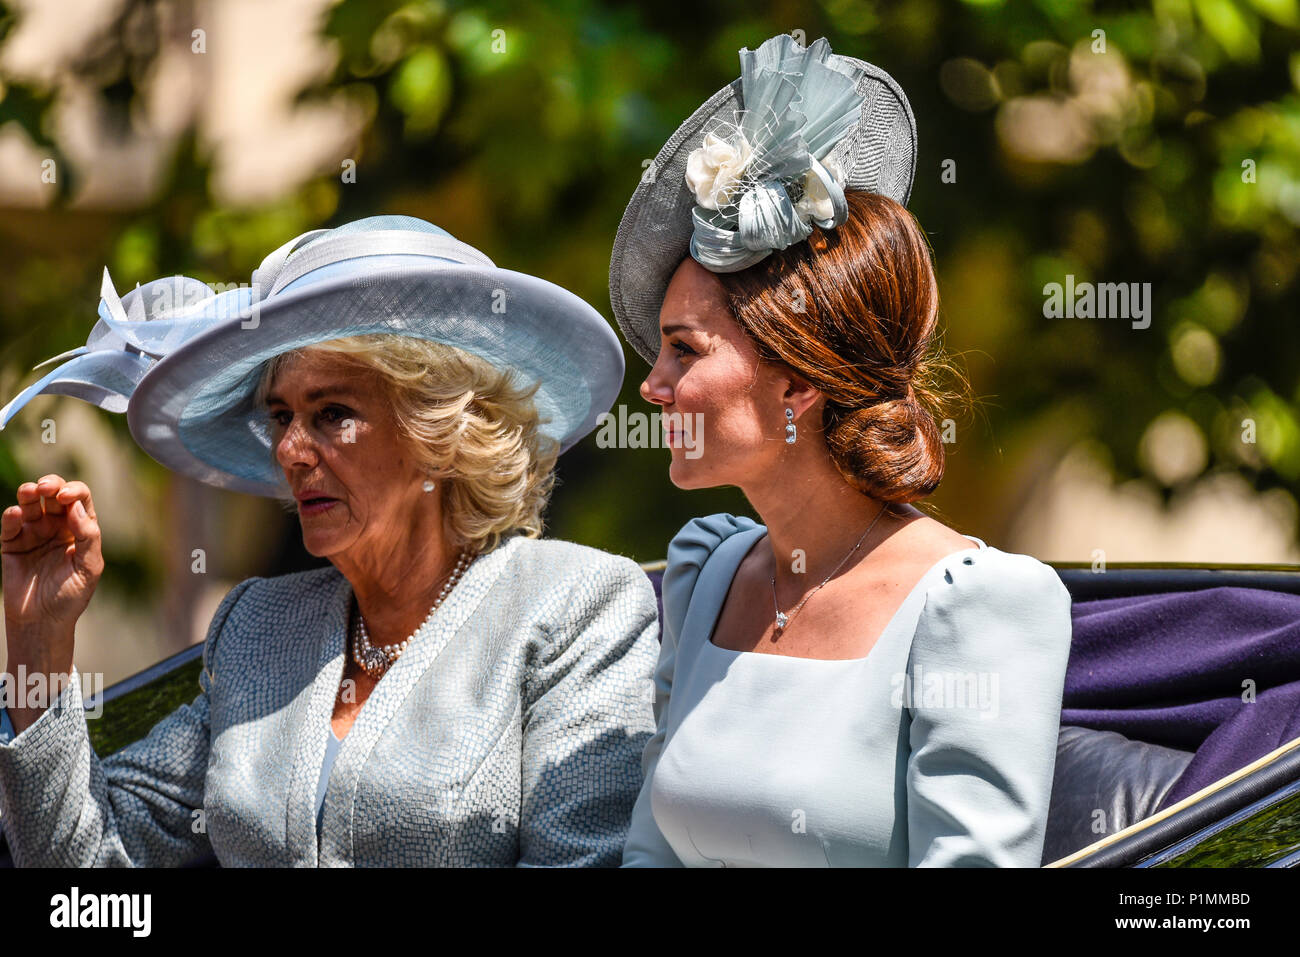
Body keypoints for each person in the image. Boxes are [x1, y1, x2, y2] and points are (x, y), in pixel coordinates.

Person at [0, 215, 660, 866]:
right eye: (282, 415)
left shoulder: (576, 605)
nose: (288, 449)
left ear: (439, 431)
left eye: (332, 414)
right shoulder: (259, 628)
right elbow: (83, 867)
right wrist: (39, 638)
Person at [608, 34, 1073, 866]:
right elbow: (650, 853)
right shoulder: (705, 575)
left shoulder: (977, 607)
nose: (654, 387)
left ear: (798, 381)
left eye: (684, 349)